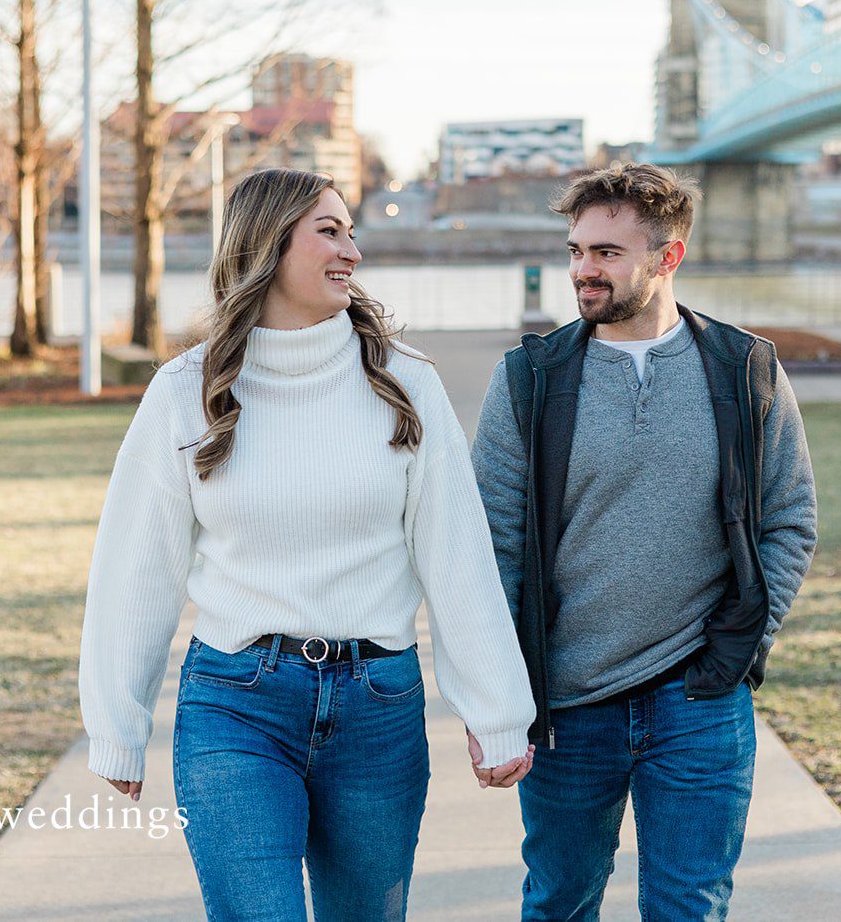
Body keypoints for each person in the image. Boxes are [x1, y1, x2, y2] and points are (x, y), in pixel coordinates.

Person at [78, 168, 535, 922]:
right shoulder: (184, 390)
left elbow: (456, 555)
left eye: (351, 231)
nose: (352, 250)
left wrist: (495, 711)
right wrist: (117, 723)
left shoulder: (404, 385)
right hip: (236, 706)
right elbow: (136, 565)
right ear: (268, 244)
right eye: (330, 230)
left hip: (378, 710)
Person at [472, 161, 819, 921]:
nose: (583, 271)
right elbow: (491, 548)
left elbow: (789, 518)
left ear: (668, 257)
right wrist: (495, 697)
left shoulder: (744, 367)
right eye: (576, 250)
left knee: (689, 907)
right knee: (559, 901)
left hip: (697, 702)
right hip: (565, 707)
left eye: (606, 253)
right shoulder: (528, 379)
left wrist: (735, 650)